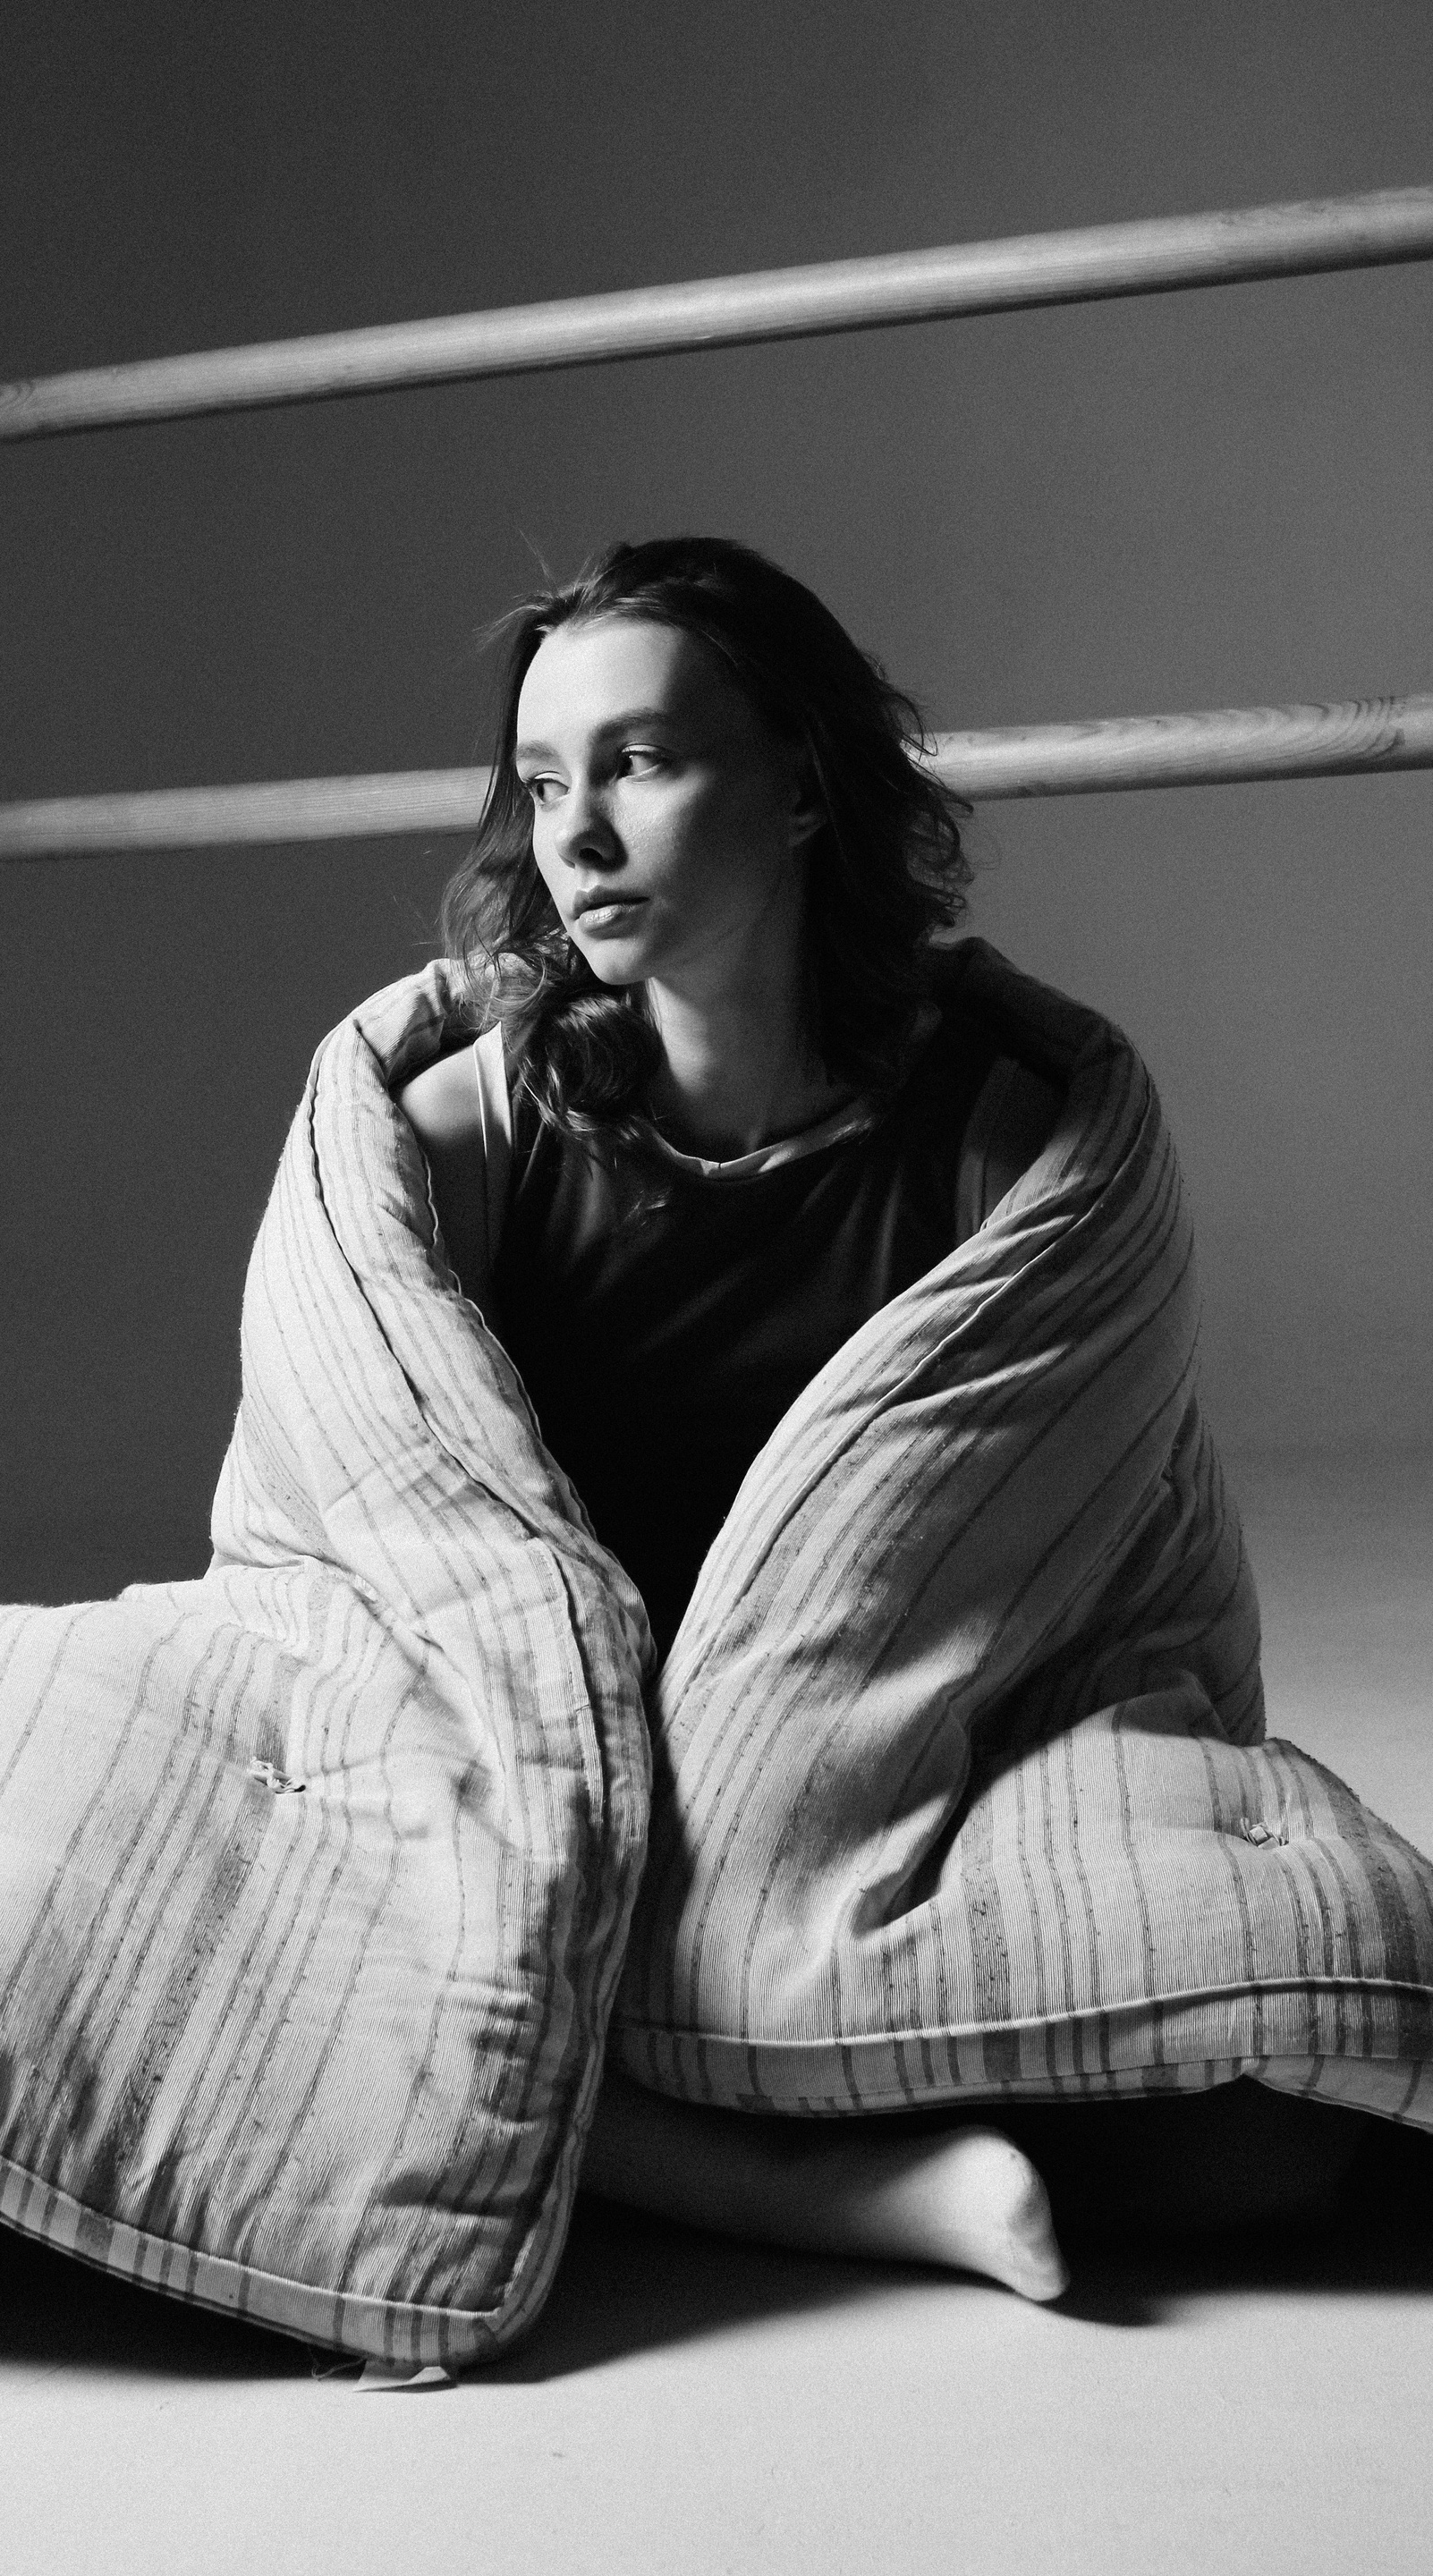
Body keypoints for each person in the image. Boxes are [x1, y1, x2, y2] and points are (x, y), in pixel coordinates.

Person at [398, 535, 1377, 2301]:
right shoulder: (482, 1140)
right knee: (291, 1933)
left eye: (639, 762)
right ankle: (834, 2191)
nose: (578, 837)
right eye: (543, 785)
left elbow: (1076, 1555)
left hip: (895, 1776)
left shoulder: (999, 1144)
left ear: (800, 786)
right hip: (563, 1783)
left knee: (1265, 2141)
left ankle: (645, 2114)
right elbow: (391, 1528)